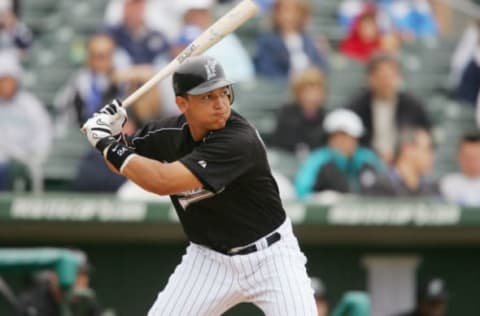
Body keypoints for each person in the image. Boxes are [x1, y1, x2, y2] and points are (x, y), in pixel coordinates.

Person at [82, 55, 318, 315]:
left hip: (271, 256)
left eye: (223, 93)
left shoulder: (239, 139)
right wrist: (114, 139)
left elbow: (162, 181)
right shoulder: (166, 134)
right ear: (182, 103)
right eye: (207, 96)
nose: (220, 104)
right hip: (208, 259)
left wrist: (105, 144)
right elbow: (125, 164)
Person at [346, 53, 431, 164]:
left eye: (391, 76)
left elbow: (425, 134)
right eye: (381, 77)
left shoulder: (413, 106)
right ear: (370, 78)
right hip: (366, 163)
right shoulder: (357, 106)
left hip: (403, 163)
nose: (387, 82)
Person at [295, 109, 384, 199]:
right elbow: (302, 192)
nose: (343, 142)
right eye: (337, 136)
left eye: (347, 136)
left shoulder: (368, 159)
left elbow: (390, 188)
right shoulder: (318, 160)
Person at [0, 51, 51, 191]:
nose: (5, 85)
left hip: (22, 162)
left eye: (8, 79)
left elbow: (42, 136)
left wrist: (33, 157)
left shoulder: (30, 105)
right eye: (1, 80)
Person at [54, 34, 123, 130]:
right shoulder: (80, 80)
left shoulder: (123, 79)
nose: (101, 61)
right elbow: (61, 105)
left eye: (106, 56)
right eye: (97, 56)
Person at [254, 0, 328, 80]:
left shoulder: (310, 40)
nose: (288, 16)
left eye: (294, 11)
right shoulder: (267, 41)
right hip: (282, 89)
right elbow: (269, 73)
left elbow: (322, 69)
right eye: (284, 10)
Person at [362, 127, 438, 197]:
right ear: (407, 149)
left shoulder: (429, 188)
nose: (432, 156)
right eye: (427, 149)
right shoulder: (380, 186)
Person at [270, 67, 327, 154]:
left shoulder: (325, 117)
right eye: (307, 92)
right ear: (298, 93)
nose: (312, 97)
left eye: (317, 92)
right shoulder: (285, 115)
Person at [106, 0, 170, 67]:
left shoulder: (156, 36)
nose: (133, 11)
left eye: (137, 7)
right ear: (124, 8)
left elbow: (164, 61)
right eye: (130, 6)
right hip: (119, 74)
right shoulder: (112, 33)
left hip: (152, 75)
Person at [440, 132, 480, 207]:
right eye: (468, 157)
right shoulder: (447, 184)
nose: (472, 162)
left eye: (476, 157)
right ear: (459, 156)